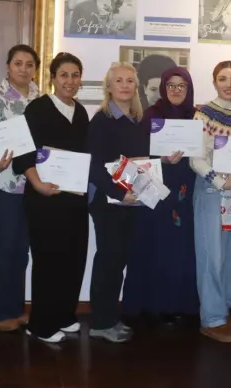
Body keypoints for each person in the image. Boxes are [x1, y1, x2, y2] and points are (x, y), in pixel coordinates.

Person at [11, 53, 90, 344]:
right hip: (44, 198)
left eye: (75, 75)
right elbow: (23, 152)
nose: (70, 81)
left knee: (73, 257)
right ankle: (41, 324)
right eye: (64, 75)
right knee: (49, 261)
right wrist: (38, 184)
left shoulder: (81, 113)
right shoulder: (38, 108)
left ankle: (64, 315)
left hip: (74, 199)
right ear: (53, 78)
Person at [123, 67, 199, 324]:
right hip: (156, 192)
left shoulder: (197, 117)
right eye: (171, 85)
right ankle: (151, 305)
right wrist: (161, 158)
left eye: (182, 85)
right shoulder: (151, 116)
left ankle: (179, 304)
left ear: (189, 89)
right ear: (164, 88)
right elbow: (137, 153)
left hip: (187, 192)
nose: (176, 90)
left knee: (182, 247)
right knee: (155, 245)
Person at [190, 61, 231, 343]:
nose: (229, 84)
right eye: (223, 78)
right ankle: (212, 319)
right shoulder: (203, 114)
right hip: (211, 190)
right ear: (214, 81)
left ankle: (223, 310)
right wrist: (218, 180)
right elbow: (195, 158)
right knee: (211, 256)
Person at [86, 63, 148, 343]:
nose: (124, 85)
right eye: (119, 80)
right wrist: (119, 193)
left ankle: (110, 317)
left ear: (136, 87)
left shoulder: (138, 120)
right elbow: (94, 167)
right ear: (109, 87)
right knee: (109, 262)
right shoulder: (101, 120)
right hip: (108, 203)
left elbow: (143, 162)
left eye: (130, 81)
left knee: (119, 260)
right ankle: (100, 322)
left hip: (130, 202)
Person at [0, 44, 40, 332]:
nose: (23, 69)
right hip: (3, 185)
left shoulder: (42, 100)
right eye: (18, 63)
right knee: (1, 250)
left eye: (29, 64)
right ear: (8, 66)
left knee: (21, 250)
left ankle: (16, 309)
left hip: (33, 186)